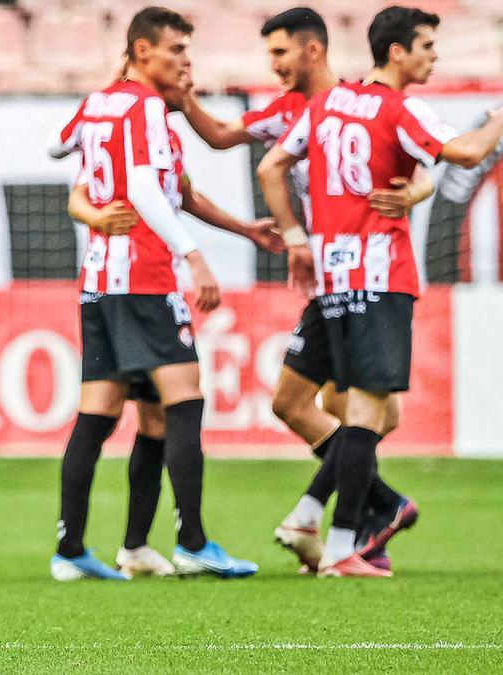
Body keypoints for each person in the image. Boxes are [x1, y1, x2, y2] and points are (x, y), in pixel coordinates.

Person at [181, 6, 432, 573]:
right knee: (311, 405)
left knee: (367, 412)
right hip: (331, 278)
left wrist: (411, 196)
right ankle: (376, 509)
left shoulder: (356, 104)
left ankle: (351, 515)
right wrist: (184, 97)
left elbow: (425, 167)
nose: (273, 66)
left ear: (312, 49)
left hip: (361, 272)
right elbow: (222, 136)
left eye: (279, 53)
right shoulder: (288, 112)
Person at [258, 5, 503, 576]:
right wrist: (497, 118)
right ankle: (344, 546)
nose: (432, 57)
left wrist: (297, 236)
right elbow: (466, 153)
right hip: (379, 271)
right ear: (397, 51)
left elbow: (272, 166)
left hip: (332, 276)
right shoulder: (399, 108)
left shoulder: (327, 104)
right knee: (370, 412)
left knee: (370, 413)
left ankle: (311, 512)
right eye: (425, 46)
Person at [47, 6, 258, 582]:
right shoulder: (139, 108)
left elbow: (60, 150)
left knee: (118, 413)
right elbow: (144, 188)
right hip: (144, 278)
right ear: (142, 52)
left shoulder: (106, 107)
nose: (186, 64)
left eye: (188, 54)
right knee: (184, 400)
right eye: (175, 52)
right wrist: (193, 256)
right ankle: (191, 541)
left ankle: (98, 550)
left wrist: (245, 230)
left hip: (99, 282)